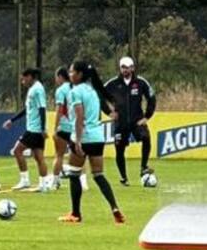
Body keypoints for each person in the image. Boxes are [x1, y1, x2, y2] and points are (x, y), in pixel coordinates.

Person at [60, 61, 125, 225]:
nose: (70, 75)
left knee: (74, 174)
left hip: (84, 137)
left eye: (72, 72)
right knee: (98, 175)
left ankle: (75, 213)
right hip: (97, 137)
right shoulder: (94, 91)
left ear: (80, 74)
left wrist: (78, 141)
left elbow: (79, 117)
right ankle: (115, 208)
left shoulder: (75, 91)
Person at [104, 55, 157, 186]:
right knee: (119, 149)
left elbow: (151, 98)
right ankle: (124, 177)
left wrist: (147, 116)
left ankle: (143, 167)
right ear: (120, 68)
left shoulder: (140, 82)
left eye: (128, 67)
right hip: (120, 123)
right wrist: (109, 112)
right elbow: (99, 96)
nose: (126, 70)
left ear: (133, 68)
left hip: (136, 120)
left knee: (146, 138)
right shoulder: (113, 83)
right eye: (123, 67)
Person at [4, 68, 51, 192]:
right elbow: (27, 109)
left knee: (17, 150)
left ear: (30, 76)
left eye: (23, 79)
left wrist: (42, 128)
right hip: (35, 129)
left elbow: (42, 108)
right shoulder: (33, 89)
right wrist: (12, 120)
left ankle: (25, 180)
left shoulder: (37, 89)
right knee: (38, 156)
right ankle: (43, 184)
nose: (22, 82)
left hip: (34, 130)